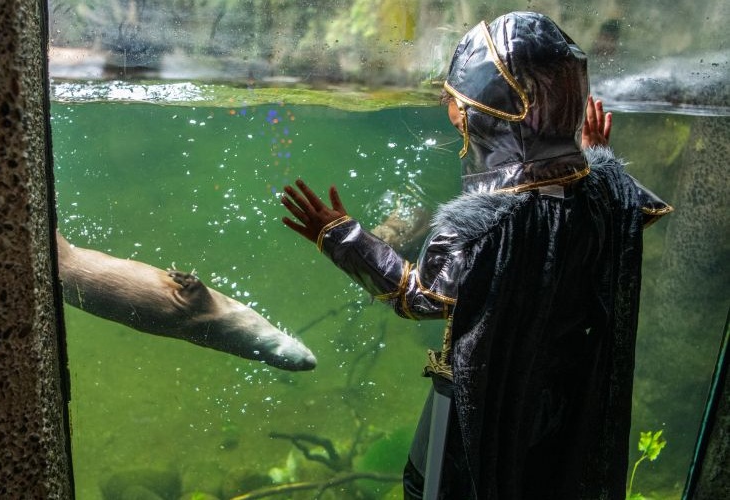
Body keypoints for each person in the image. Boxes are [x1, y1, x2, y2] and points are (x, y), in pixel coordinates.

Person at [279, 11, 672, 500]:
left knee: (437, 488)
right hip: (564, 398)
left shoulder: (482, 224)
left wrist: (342, 237)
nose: (451, 107)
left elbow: (417, 296)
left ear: (496, 111)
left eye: (459, 101)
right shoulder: (605, 192)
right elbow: (613, 210)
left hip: (486, 403)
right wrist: (593, 158)